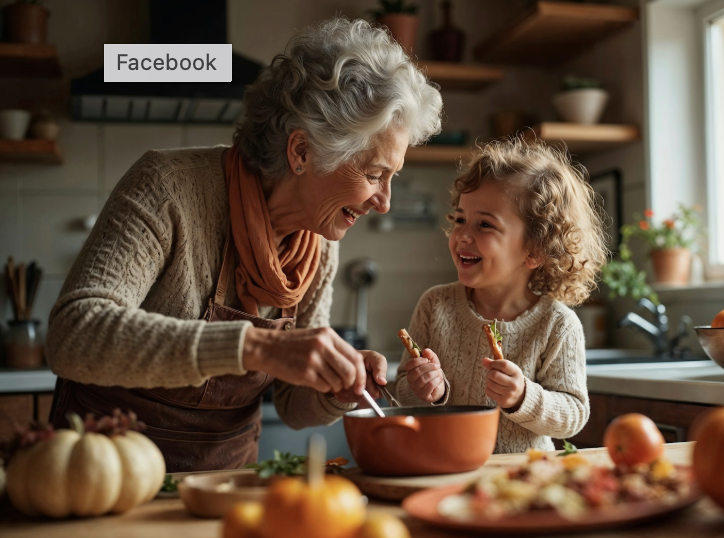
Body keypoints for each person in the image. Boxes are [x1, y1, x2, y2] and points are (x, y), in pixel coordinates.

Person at [45, 18, 442, 471]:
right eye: (374, 175)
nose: (384, 202)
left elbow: (294, 407)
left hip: (225, 487)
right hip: (106, 472)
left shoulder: (319, 240)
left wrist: (336, 388)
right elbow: (73, 334)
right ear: (301, 152)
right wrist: (256, 347)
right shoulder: (168, 188)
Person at [394, 137, 608, 453]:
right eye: (460, 219)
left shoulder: (557, 324)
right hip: (445, 471)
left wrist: (524, 396)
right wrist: (427, 390)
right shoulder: (435, 305)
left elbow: (574, 413)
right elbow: (400, 391)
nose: (463, 235)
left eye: (485, 225)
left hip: (524, 482)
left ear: (534, 250)